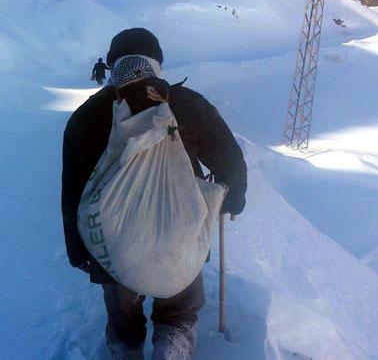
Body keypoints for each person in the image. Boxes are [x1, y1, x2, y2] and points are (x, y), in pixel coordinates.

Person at [61, 28, 247, 359]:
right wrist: (233, 196)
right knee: (177, 316)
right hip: (180, 235)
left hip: (114, 245)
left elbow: (73, 189)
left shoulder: (88, 116)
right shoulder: (188, 104)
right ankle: (171, 350)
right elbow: (229, 159)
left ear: (113, 64)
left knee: (123, 323)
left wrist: (78, 248)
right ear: (157, 63)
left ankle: (125, 349)